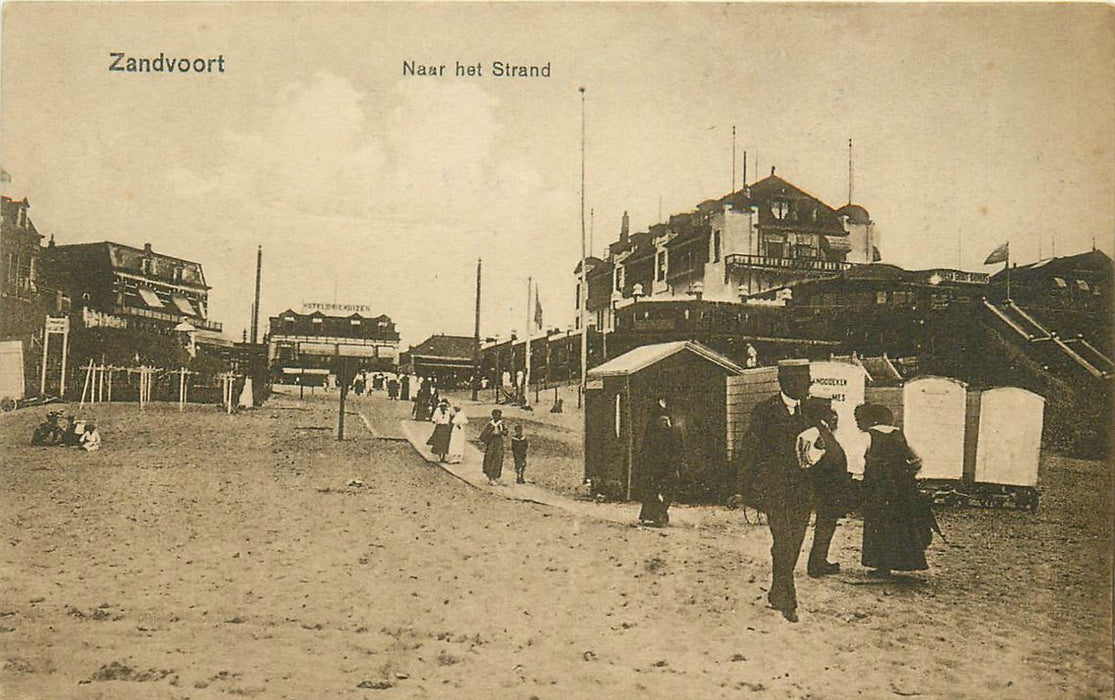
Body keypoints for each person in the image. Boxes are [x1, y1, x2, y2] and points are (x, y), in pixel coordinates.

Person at [732, 359, 812, 622]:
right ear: (785, 382)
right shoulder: (764, 412)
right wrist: (743, 489)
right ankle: (787, 600)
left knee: (795, 543)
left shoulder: (811, 411)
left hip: (803, 491)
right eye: (801, 381)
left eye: (807, 380)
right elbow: (750, 451)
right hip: (775, 490)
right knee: (784, 541)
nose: (806, 386)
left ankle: (778, 590)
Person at [854, 403, 930, 578]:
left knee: (878, 524)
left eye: (859, 420)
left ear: (870, 420)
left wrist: (861, 481)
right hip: (900, 489)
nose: (858, 424)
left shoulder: (868, 436)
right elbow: (917, 459)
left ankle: (882, 566)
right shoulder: (899, 435)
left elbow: (859, 462)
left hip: (878, 489)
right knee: (899, 524)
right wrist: (908, 474)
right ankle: (901, 561)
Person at [796, 398, 851, 577]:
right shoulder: (814, 431)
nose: (833, 414)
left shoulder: (822, 428)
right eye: (829, 410)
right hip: (825, 486)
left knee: (827, 524)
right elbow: (809, 459)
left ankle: (819, 560)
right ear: (819, 412)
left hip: (830, 485)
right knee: (825, 524)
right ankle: (817, 563)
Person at [637, 411, 683, 527]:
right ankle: (655, 515)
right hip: (655, 468)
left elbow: (678, 451)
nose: (664, 423)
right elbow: (646, 452)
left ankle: (660, 512)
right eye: (662, 421)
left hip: (669, 467)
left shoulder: (674, 434)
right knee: (652, 490)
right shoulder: (653, 436)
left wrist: (675, 466)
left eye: (666, 421)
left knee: (669, 490)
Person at [479, 409, 508, 485]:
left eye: (499, 415)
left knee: (498, 458)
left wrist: (501, 432)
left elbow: (506, 432)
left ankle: (495, 476)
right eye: (496, 415)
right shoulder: (490, 424)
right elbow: (483, 434)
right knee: (490, 457)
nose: (497, 417)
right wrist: (491, 433)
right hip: (491, 442)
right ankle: (490, 477)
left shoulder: (502, 424)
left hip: (499, 443)